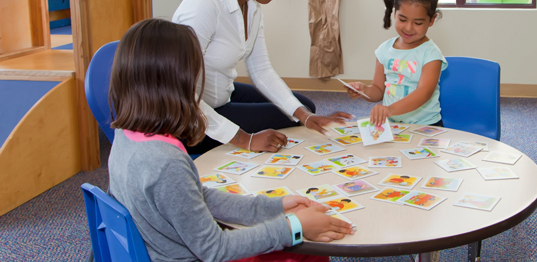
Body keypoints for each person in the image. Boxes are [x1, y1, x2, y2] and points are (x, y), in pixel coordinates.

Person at [108, 19, 355, 262]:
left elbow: (196, 197)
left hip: (164, 248)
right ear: (179, 82)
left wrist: (273, 208)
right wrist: (292, 227)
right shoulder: (166, 164)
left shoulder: (126, 135)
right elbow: (215, 249)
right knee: (308, 250)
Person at [173, 0, 352, 155]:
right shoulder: (204, 5)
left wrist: (305, 116)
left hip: (223, 95)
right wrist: (244, 139)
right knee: (290, 116)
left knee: (304, 108)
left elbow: (260, 69)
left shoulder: (252, 2)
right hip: (189, 115)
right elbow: (180, 93)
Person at [345, 0, 448, 127]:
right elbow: (379, 90)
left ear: (431, 20)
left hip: (426, 125)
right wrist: (364, 90)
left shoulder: (431, 54)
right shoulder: (384, 50)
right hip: (393, 125)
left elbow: (424, 92)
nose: (408, 28)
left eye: (418, 23)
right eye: (402, 19)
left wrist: (390, 110)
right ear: (394, 13)